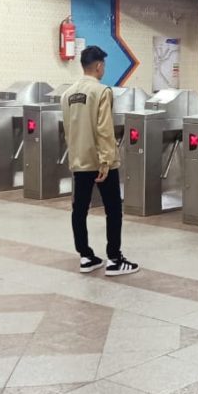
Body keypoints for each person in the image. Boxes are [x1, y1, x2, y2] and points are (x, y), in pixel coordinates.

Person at [61, 46, 139, 277]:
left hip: (79, 160)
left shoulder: (67, 94)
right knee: (113, 210)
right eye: (103, 65)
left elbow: (68, 128)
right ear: (98, 66)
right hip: (100, 163)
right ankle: (114, 259)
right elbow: (104, 129)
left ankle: (86, 256)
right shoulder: (102, 91)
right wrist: (106, 160)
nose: (103, 68)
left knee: (79, 209)